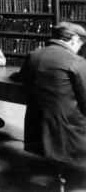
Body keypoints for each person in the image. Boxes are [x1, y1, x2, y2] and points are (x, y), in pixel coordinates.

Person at [14, 21, 86, 165]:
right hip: (68, 128)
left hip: (36, 126)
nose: (79, 49)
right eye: (80, 44)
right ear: (75, 39)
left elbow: (21, 77)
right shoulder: (77, 61)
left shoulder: (33, 54)